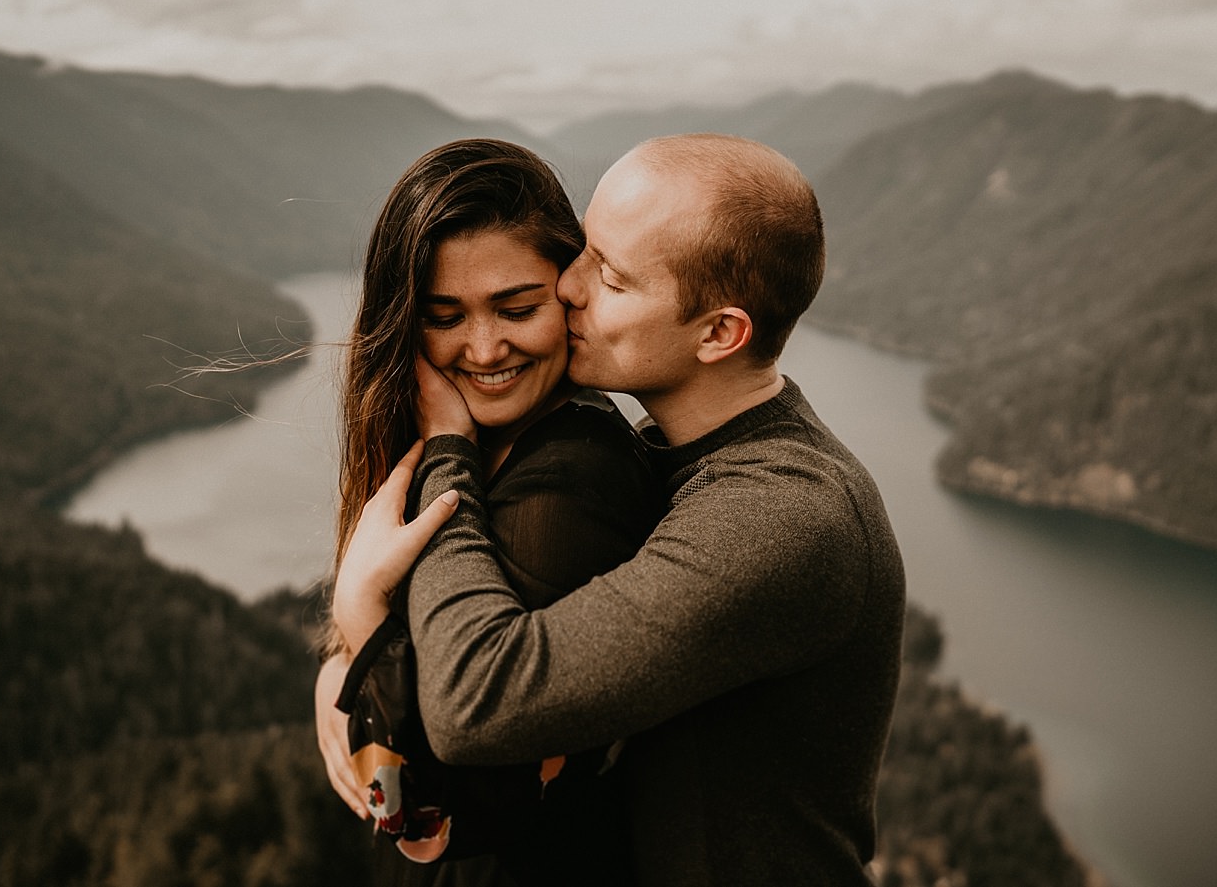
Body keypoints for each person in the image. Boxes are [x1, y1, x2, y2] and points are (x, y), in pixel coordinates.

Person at [323, 133, 908, 887]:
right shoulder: (671, 452)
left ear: (720, 333)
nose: (568, 286)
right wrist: (345, 655)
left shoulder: (785, 516)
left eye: (613, 276)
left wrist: (445, 451)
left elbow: (482, 699)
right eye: (585, 251)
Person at [314, 138, 660, 886]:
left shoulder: (575, 481)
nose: (483, 346)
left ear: (570, 292)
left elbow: (443, 808)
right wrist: (341, 662)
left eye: (517, 307)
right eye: (445, 315)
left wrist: (361, 616)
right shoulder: (481, 444)